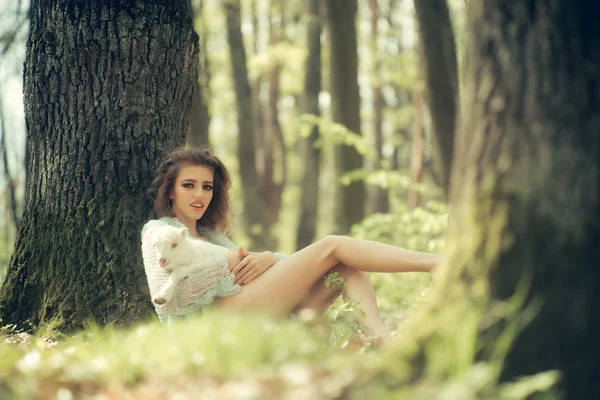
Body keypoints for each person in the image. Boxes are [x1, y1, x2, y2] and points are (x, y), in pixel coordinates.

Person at [141, 147, 440, 343]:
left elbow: (270, 271)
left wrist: (270, 258)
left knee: (348, 265)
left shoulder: (214, 237)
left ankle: (381, 341)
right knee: (333, 245)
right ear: (170, 192)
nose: (199, 195)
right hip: (212, 328)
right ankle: (434, 262)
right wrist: (228, 264)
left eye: (207, 187)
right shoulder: (157, 232)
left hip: (255, 315)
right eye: (188, 185)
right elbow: (170, 303)